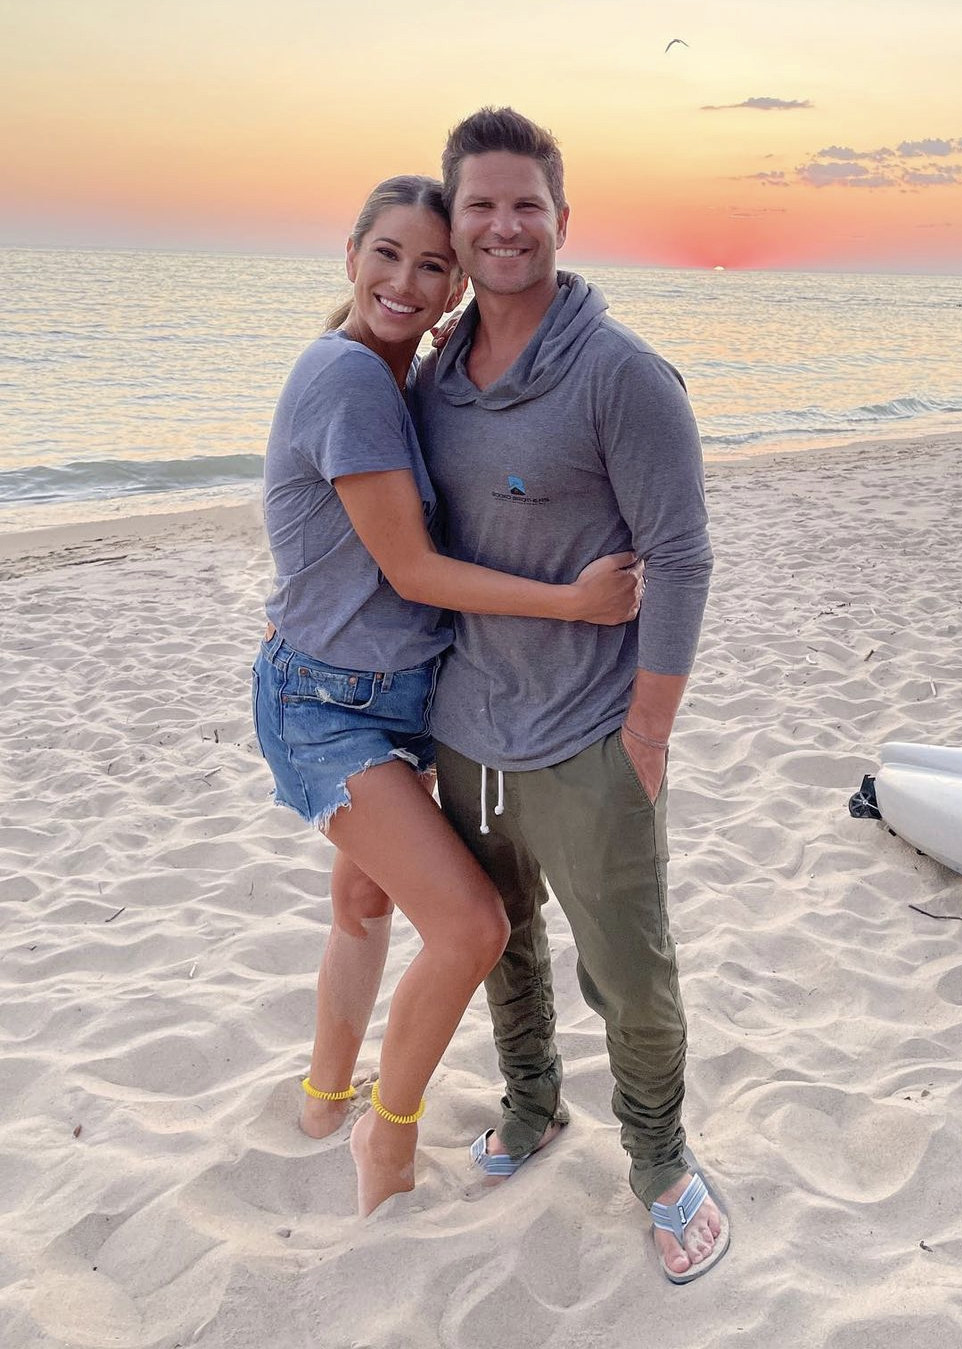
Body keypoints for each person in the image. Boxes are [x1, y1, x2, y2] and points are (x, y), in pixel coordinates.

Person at [252, 174, 642, 1217]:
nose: (407, 280)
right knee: (469, 927)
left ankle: (327, 1095)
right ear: (349, 256)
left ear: (456, 279)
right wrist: (571, 601)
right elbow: (415, 570)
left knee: (364, 899)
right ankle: (386, 1135)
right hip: (329, 707)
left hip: (390, 696)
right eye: (387, 254)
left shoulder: (408, 378)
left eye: (434, 263)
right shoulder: (346, 377)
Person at [412, 109, 728, 1283]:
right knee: (502, 943)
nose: (503, 224)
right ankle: (533, 1102)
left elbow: (682, 556)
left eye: (524, 203)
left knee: (631, 973)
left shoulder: (622, 374)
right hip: (463, 730)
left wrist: (649, 727)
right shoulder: (436, 375)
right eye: (480, 204)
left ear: (560, 217)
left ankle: (659, 1158)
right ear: (454, 220)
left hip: (592, 736)